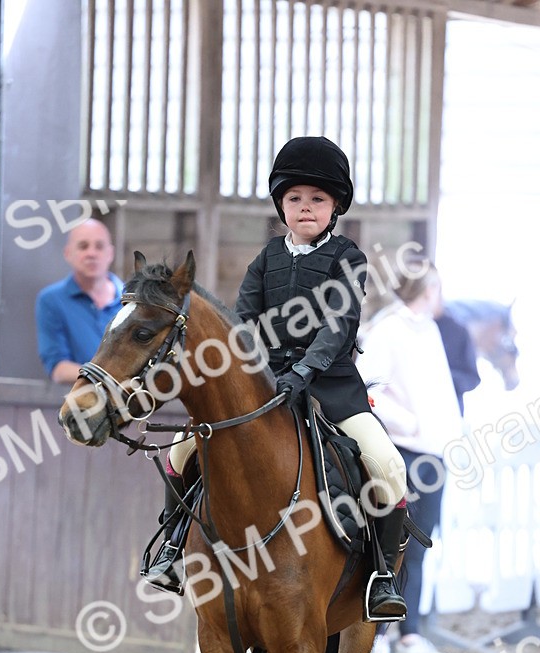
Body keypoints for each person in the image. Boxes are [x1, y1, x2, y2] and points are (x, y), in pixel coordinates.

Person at [142, 136, 408, 623]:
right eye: (295, 199)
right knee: (182, 448)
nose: (305, 208)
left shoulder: (349, 258)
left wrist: (303, 371)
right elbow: (243, 320)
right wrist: (250, 371)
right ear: (281, 205)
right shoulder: (266, 258)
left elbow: (337, 327)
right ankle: (173, 545)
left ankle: (381, 577)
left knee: (387, 465)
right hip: (265, 383)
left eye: (317, 200)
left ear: (335, 206)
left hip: (331, 387)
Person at [358, 260, 463, 653]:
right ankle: (378, 635)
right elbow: (370, 385)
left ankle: (410, 633)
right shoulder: (388, 329)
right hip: (405, 449)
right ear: (428, 289)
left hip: (434, 449)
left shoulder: (429, 329)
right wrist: (409, 424)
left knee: (419, 545)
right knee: (396, 543)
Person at [35, 219, 125, 383]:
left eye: (99, 246)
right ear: (68, 253)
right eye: (83, 246)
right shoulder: (51, 301)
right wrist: (108, 378)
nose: (91, 253)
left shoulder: (134, 302)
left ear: (110, 254)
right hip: (80, 403)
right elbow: (59, 369)